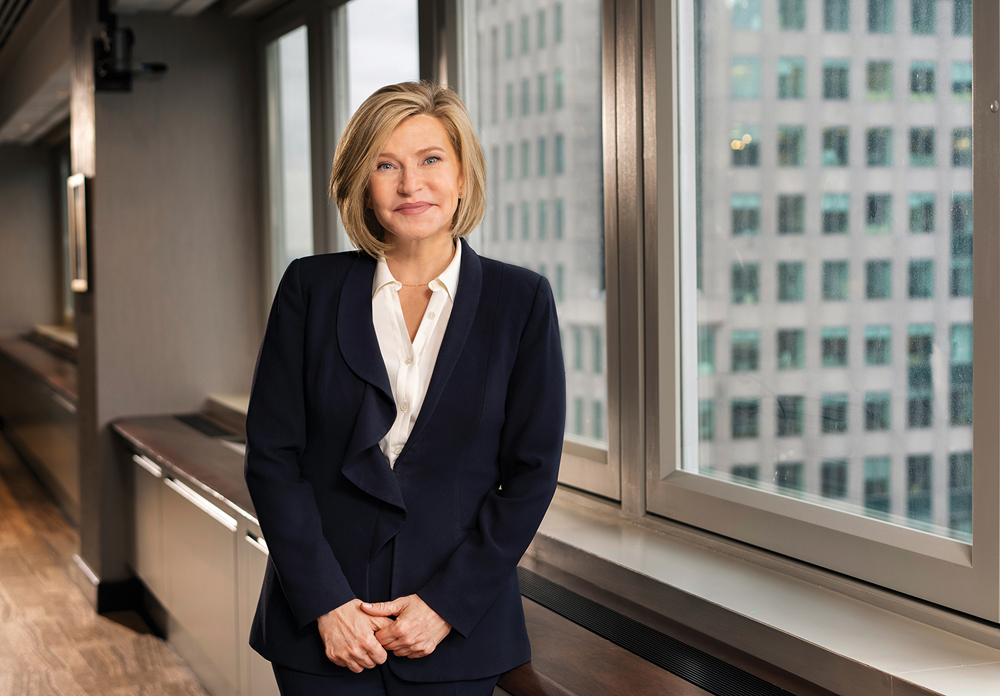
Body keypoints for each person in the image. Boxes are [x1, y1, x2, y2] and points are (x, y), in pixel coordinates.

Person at [244, 81, 566, 695]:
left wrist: (445, 606)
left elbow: (531, 474)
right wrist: (327, 605)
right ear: (361, 185)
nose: (410, 184)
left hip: (453, 632)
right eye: (385, 165)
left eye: (431, 160)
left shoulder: (520, 301)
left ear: (464, 176)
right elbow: (273, 460)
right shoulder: (309, 289)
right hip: (325, 630)